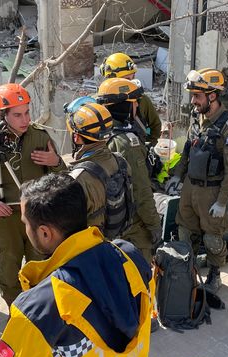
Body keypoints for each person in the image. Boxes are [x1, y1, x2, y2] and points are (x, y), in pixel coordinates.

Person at [0, 173, 152, 357]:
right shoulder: (130, 260)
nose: (25, 228)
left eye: (25, 223)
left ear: (44, 233)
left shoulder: (37, 310)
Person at [0, 83, 66, 306]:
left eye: (27, 112)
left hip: (38, 214)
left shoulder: (40, 137)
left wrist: (56, 162)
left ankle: (40, 307)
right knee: (9, 265)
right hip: (6, 217)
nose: (25, 120)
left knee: (40, 264)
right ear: (3, 116)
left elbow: (62, 179)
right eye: (18, 115)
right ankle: (15, 308)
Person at [169, 68, 228, 293]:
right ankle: (188, 270)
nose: (193, 101)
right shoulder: (197, 117)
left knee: (212, 238)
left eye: (197, 96)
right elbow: (187, 151)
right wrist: (176, 177)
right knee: (185, 231)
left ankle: (214, 274)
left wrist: (222, 202)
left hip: (212, 190)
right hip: (191, 186)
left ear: (212, 96)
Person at [96, 78, 162, 261]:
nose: (136, 108)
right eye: (133, 103)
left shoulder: (99, 135)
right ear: (123, 106)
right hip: (132, 228)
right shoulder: (126, 143)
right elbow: (141, 191)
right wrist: (154, 225)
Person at [65, 100, 135, 237]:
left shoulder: (78, 179)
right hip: (117, 239)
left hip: (90, 248)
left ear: (76, 137)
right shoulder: (121, 161)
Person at [100, 52, 161, 142]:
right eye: (127, 80)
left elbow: (155, 125)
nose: (131, 84)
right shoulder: (99, 102)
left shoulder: (142, 100)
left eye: (132, 78)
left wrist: (149, 146)